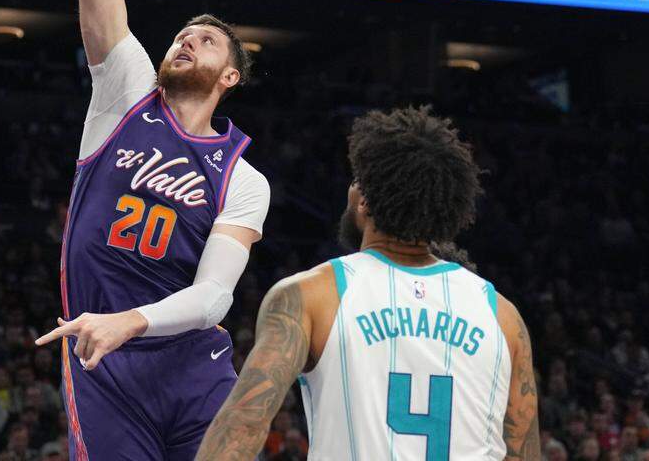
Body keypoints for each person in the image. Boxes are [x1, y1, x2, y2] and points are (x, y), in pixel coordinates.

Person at [33, 0, 271, 459]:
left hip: (194, 365)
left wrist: (132, 321)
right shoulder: (126, 92)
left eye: (207, 40)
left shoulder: (243, 179)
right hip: (103, 365)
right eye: (183, 33)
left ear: (229, 77)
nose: (186, 39)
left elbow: (216, 295)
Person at [197, 106, 539, 459]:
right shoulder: (503, 317)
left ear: (364, 202)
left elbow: (244, 424)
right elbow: (523, 454)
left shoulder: (312, 296)